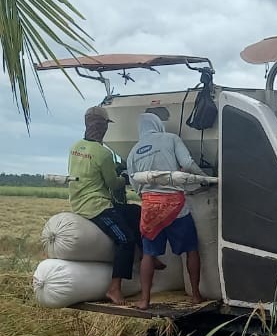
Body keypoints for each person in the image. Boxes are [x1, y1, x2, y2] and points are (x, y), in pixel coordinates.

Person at [127, 112, 206, 309]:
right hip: (175, 207)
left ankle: (144, 300)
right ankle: (196, 295)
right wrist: (203, 178)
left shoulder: (133, 152)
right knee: (190, 249)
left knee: (148, 254)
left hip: (150, 209)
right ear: (157, 125)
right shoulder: (171, 139)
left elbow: (135, 185)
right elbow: (187, 164)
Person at [67, 106, 142, 305]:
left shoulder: (75, 147)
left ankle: (147, 257)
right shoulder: (103, 153)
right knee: (125, 239)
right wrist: (125, 177)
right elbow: (113, 184)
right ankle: (114, 288)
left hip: (78, 201)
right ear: (102, 128)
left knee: (135, 212)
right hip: (97, 206)